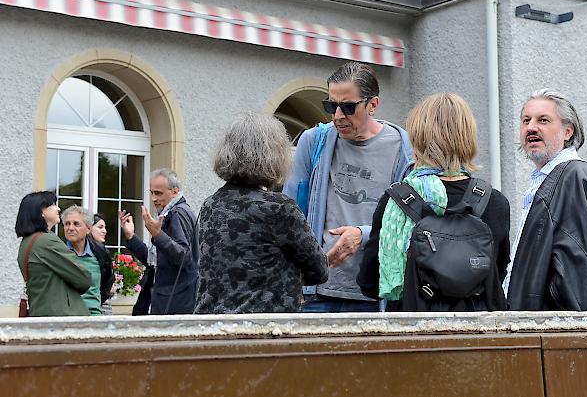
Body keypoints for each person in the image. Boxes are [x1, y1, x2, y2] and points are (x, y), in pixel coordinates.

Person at [357, 93, 509, 311]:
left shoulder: (396, 202)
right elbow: (497, 274)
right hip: (477, 336)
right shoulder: (494, 202)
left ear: (417, 137)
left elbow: (370, 283)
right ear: (468, 136)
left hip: (415, 336)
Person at [283, 61, 413, 312]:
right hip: (316, 293)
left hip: (377, 295)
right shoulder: (314, 141)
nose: (338, 116)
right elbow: (291, 212)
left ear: (373, 105)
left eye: (348, 107)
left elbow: (408, 223)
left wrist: (363, 234)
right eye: (331, 105)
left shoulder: (403, 148)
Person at [503, 88, 587, 310]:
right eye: (526, 120)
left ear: (567, 132)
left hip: (553, 332)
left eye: (543, 120)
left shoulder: (574, 178)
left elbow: (577, 278)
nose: (531, 127)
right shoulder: (552, 179)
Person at [194, 113, 328, 314]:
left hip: (212, 327)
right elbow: (319, 271)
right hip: (261, 331)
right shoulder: (279, 208)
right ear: (275, 155)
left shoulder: (210, 204)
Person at [119, 168, 199, 315]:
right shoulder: (168, 213)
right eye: (152, 193)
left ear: (174, 192)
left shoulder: (178, 213)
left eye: (158, 193)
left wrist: (158, 235)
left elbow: (184, 258)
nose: (154, 198)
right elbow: (155, 263)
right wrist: (131, 236)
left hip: (175, 305)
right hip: (165, 302)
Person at [15, 192, 91, 316]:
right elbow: (84, 278)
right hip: (61, 318)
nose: (58, 208)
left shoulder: (28, 241)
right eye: (53, 205)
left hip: (44, 313)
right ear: (41, 212)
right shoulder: (46, 241)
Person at [62, 206, 115, 315]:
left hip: (94, 317)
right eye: (67, 224)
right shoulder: (58, 252)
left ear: (88, 229)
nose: (70, 228)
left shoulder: (100, 253)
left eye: (76, 224)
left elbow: (107, 283)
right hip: (66, 318)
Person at [91, 213, 116, 315]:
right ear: (89, 228)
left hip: (104, 303)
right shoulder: (87, 253)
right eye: (100, 227)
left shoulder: (103, 251)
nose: (104, 231)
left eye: (105, 227)